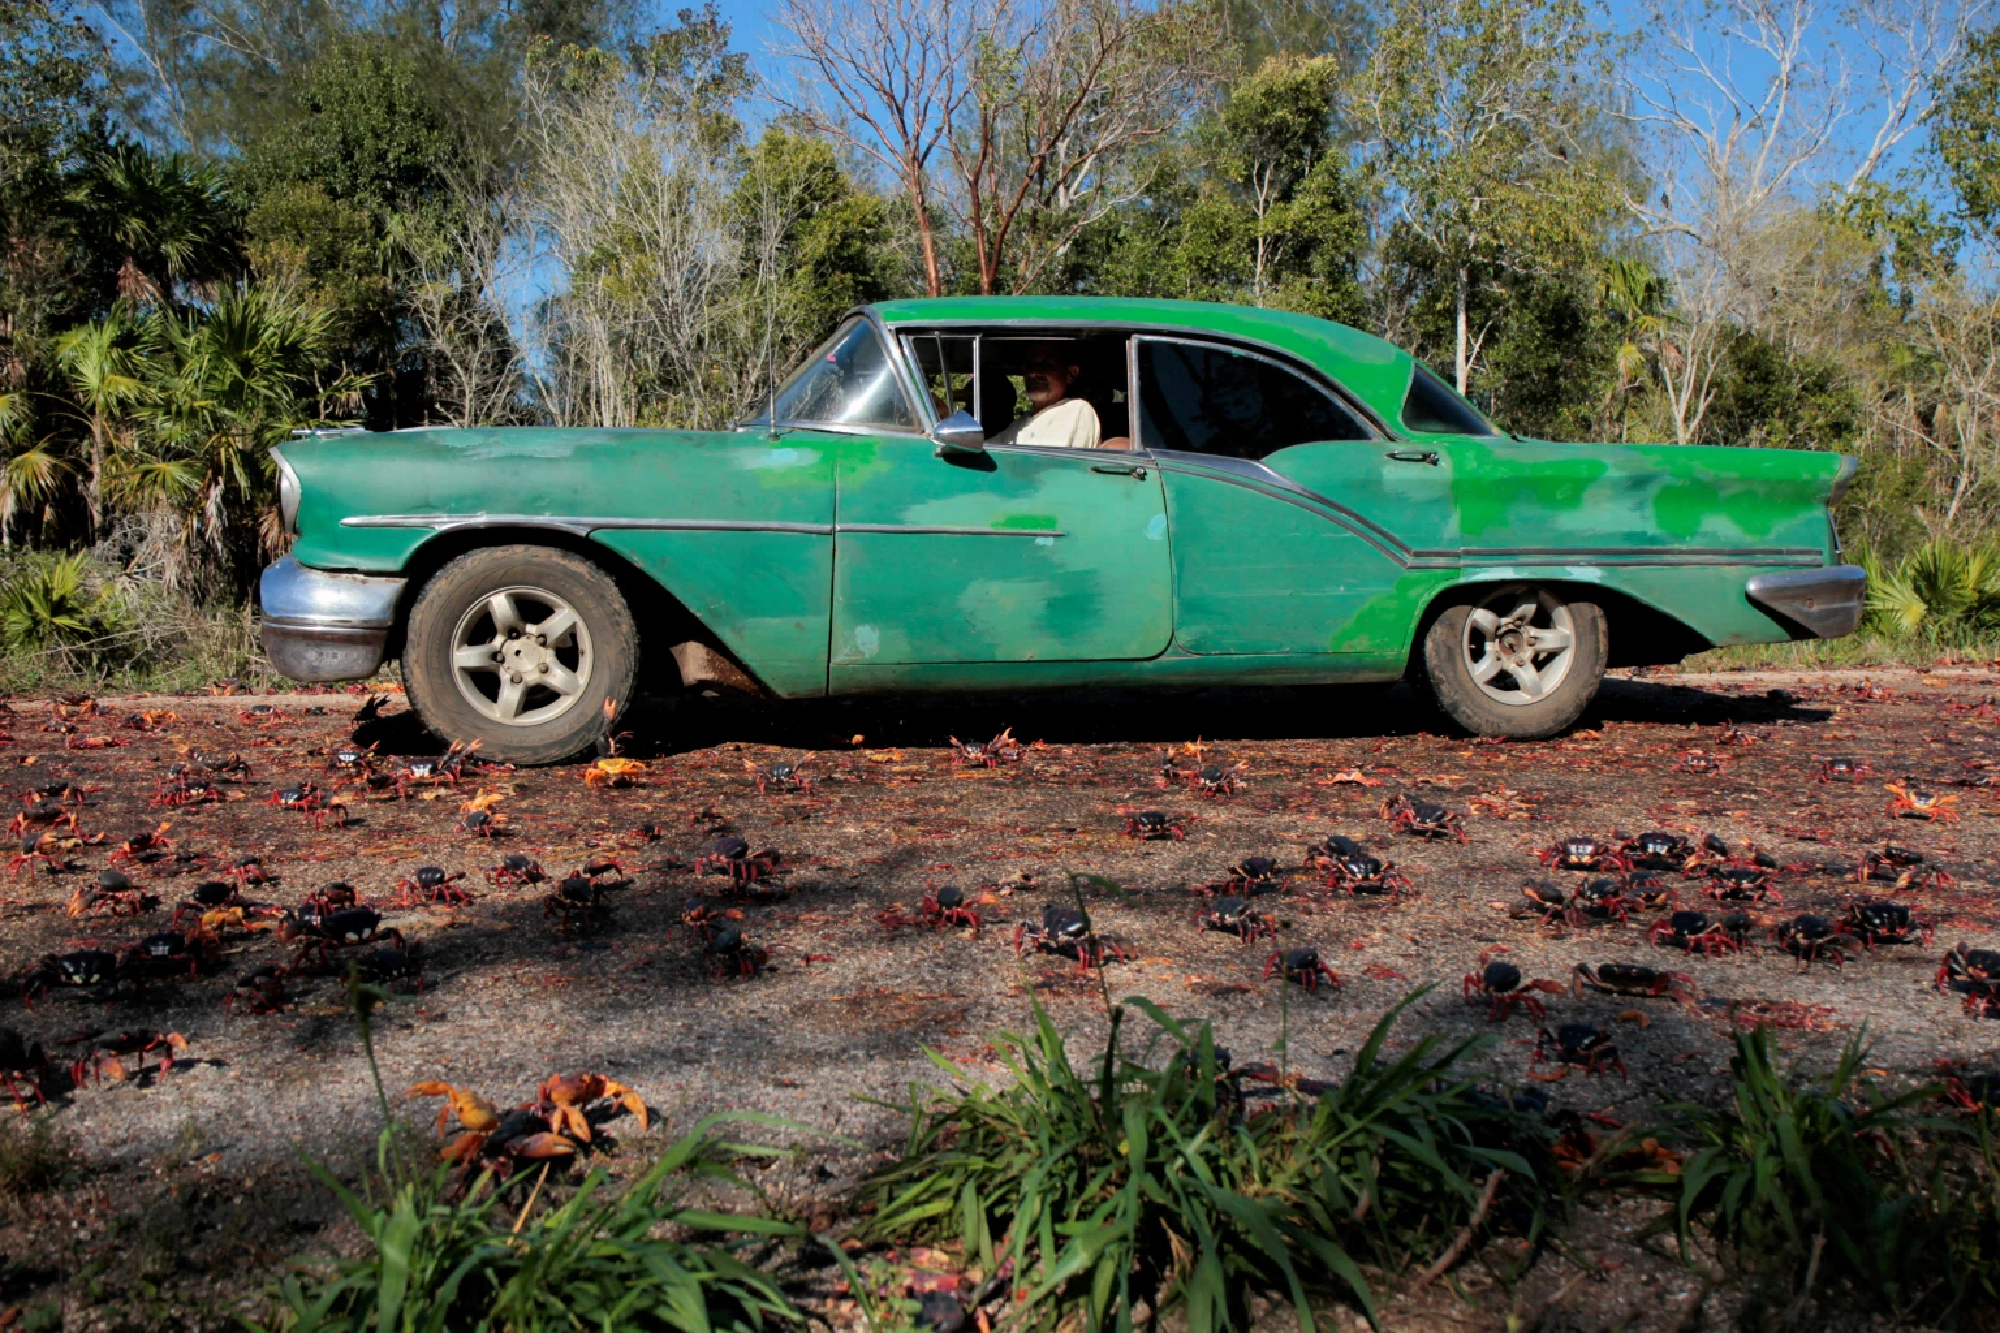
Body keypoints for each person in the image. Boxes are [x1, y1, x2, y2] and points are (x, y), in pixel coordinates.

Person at [988, 345, 1103, 449]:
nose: (1034, 373)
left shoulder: (1077, 409)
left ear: (1070, 374)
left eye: (1045, 366)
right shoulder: (1021, 423)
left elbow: (1051, 466)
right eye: (1030, 365)